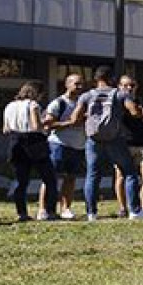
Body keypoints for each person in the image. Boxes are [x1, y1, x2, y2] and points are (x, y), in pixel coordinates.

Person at [70, 66, 137, 222]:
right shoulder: (119, 94)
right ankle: (134, 211)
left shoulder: (87, 96)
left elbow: (74, 118)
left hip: (94, 139)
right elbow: (133, 111)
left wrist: (88, 116)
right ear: (112, 78)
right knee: (129, 173)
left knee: (92, 175)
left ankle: (91, 213)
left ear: (96, 78)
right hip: (115, 138)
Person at [1, 80, 55, 222]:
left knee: (21, 181)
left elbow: (5, 128)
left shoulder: (9, 106)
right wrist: (47, 122)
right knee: (49, 178)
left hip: (15, 141)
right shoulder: (33, 105)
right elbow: (36, 125)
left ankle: (21, 212)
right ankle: (49, 210)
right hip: (34, 142)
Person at [42, 73, 86, 219]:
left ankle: (65, 208)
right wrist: (69, 123)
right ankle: (44, 209)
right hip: (59, 144)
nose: (79, 87)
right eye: (76, 84)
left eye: (81, 84)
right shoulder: (58, 103)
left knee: (71, 178)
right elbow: (48, 124)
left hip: (78, 145)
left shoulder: (83, 102)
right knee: (51, 178)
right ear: (67, 84)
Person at [116, 76, 143, 218]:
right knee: (121, 176)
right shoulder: (116, 102)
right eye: (125, 85)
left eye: (132, 85)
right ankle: (123, 208)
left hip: (142, 144)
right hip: (123, 144)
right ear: (119, 87)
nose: (129, 88)